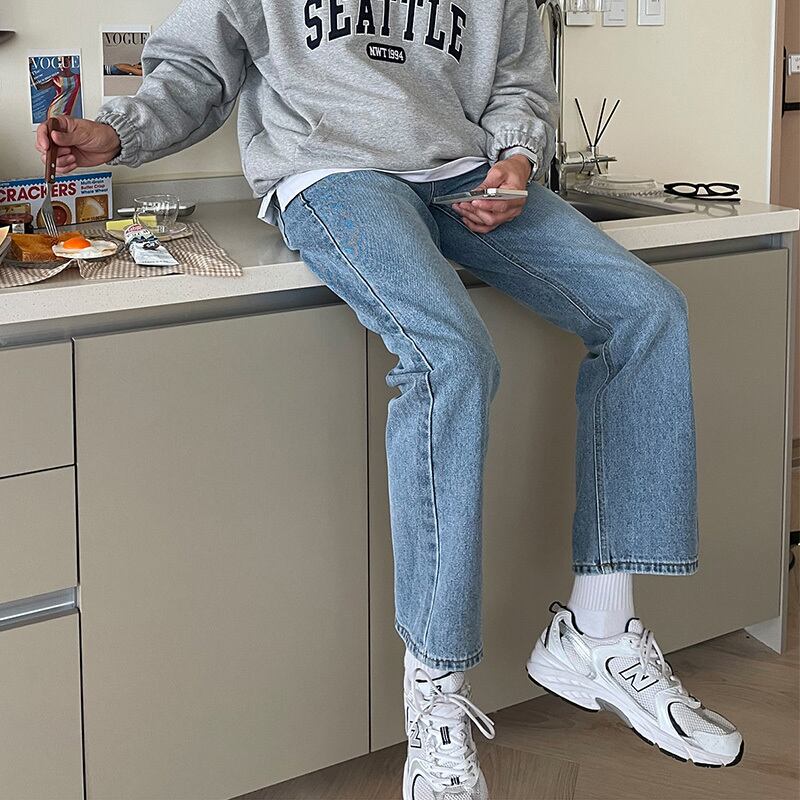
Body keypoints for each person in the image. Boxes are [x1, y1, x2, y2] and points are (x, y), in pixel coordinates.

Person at [36, 1, 743, 797]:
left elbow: (517, 79)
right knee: (451, 359)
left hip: (465, 173)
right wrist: (117, 133)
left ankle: (598, 634)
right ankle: (436, 689)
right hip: (336, 173)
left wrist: (515, 159)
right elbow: (200, 66)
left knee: (648, 313)